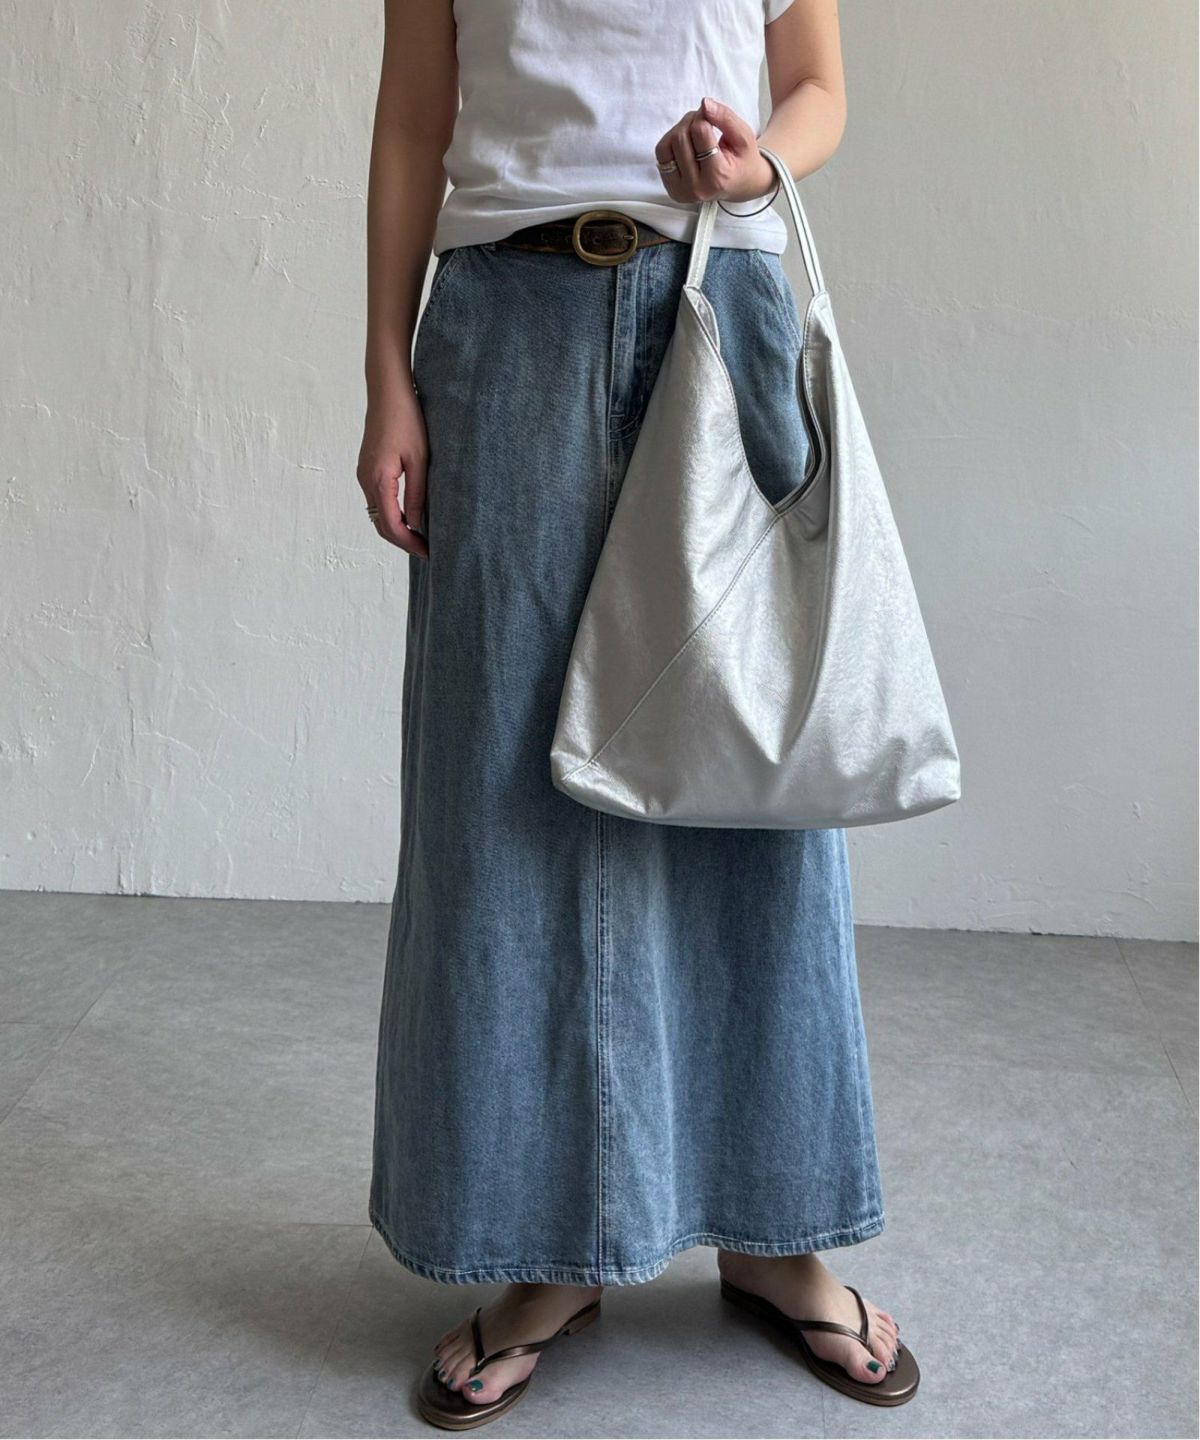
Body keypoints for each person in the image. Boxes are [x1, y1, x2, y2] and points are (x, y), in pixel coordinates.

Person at [357, 0, 918, 1427]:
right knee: (509, 791)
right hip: (506, 327)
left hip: (719, 294)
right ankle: (549, 1246)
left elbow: (815, 83)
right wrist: (386, 378)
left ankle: (776, 1232)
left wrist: (757, 162)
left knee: (750, 779)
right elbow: (414, 120)